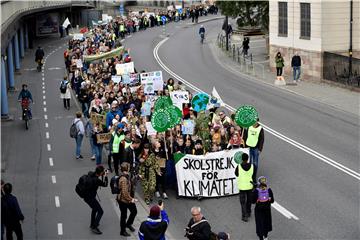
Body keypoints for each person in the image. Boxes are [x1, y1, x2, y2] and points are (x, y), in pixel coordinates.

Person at [82, 165, 108, 234]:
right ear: (101, 173)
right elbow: (105, 184)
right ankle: (94, 227)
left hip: (86, 196)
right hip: (90, 198)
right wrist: (106, 176)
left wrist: (102, 173)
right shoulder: (97, 180)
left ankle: (92, 224)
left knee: (94, 209)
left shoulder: (91, 174)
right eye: (103, 172)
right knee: (100, 211)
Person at [117, 162, 138, 237]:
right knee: (124, 215)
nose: (130, 168)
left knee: (134, 211)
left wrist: (137, 177)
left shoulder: (127, 175)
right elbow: (124, 192)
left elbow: (131, 183)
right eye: (129, 167)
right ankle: (122, 231)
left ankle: (128, 224)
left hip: (128, 199)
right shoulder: (123, 179)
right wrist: (131, 199)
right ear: (127, 168)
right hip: (123, 200)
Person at [234, 153, 254, 222]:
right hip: (249, 186)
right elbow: (253, 175)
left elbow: (236, 174)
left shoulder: (239, 166)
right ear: (248, 159)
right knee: (249, 200)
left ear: (242, 159)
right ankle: (248, 212)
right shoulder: (252, 166)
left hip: (242, 187)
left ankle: (244, 216)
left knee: (243, 202)